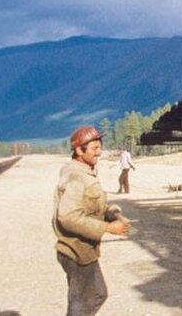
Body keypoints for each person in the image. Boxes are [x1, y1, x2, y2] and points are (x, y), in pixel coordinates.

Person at [53, 125, 131, 316]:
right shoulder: (76, 177)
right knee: (81, 305)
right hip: (75, 251)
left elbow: (90, 205)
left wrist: (111, 213)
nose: (100, 152)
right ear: (80, 151)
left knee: (98, 294)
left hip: (85, 251)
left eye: (100, 147)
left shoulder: (85, 173)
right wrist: (107, 228)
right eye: (95, 148)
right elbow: (68, 217)